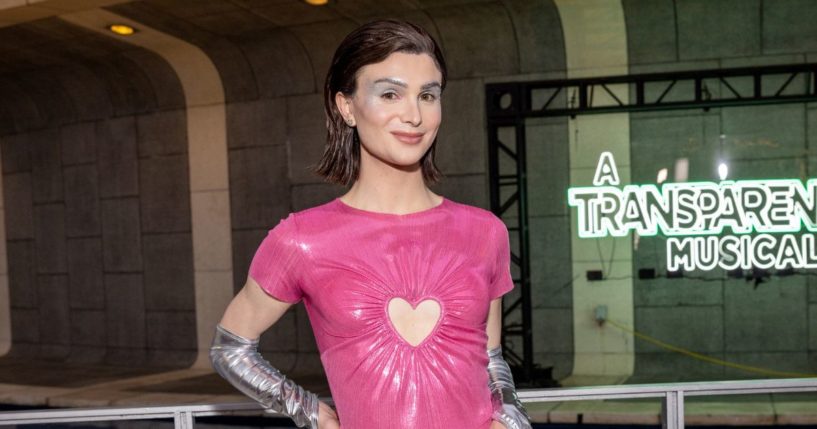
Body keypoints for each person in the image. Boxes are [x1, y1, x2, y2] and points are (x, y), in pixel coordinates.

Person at [209, 19, 531, 429]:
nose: (413, 115)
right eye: (390, 93)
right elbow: (230, 350)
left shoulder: (485, 232)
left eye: (428, 95)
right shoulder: (301, 240)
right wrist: (313, 415)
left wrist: (510, 418)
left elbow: (491, 357)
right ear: (347, 107)